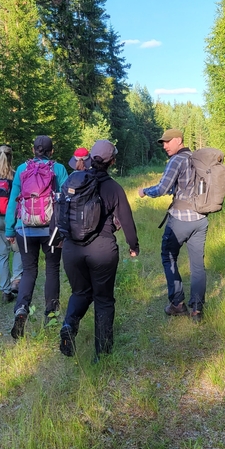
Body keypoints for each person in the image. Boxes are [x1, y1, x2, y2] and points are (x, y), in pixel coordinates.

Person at [59, 139, 139, 363]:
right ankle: (101, 354)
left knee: (80, 292)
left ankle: (69, 324)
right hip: (102, 250)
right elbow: (127, 221)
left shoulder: (74, 180)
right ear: (112, 161)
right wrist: (133, 246)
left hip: (72, 249)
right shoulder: (113, 187)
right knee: (103, 299)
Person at [138, 128, 208, 322]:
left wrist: (145, 191)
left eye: (168, 141)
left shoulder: (176, 160)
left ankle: (177, 304)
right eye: (163, 143)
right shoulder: (196, 158)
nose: (165, 145)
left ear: (179, 140)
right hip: (201, 219)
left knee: (168, 257)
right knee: (198, 265)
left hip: (180, 219)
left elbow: (162, 188)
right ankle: (197, 310)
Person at [5, 135, 68, 339]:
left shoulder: (23, 170)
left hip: (24, 229)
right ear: (51, 151)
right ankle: (51, 314)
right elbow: (67, 200)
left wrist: (9, 230)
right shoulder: (57, 169)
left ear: (33, 150)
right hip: (51, 231)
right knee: (52, 269)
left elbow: (13, 202)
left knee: (29, 271)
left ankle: (21, 309)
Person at [0, 144, 23, 303]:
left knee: (1, 255)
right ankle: (16, 279)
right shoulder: (16, 175)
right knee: (18, 250)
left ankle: (5, 291)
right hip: (12, 219)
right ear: (11, 157)